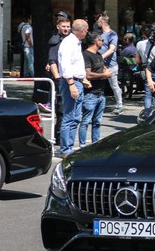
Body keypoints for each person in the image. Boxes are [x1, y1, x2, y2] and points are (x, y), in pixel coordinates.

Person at [58, 19, 90, 158]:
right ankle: (65, 149)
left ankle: (69, 147)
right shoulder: (69, 43)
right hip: (70, 82)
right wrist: (71, 84)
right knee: (69, 116)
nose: (87, 32)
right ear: (82, 30)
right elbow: (65, 65)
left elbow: (75, 64)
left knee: (76, 117)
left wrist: (83, 79)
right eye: (87, 30)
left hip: (77, 82)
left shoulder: (76, 43)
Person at [79, 31, 113, 147]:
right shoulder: (86, 55)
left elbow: (101, 69)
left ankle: (95, 145)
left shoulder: (98, 55)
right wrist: (104, 75)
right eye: (102, 40)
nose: (103, 42)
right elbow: (87, 74)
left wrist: (105, 71)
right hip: (90, 95)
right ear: (97, 41)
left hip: (101, 94)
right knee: (85, 122)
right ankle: (83, 146)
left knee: (97, 122)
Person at [41, 16, 71, 117]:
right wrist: (57, 77)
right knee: (61, 109)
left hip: (69, 74)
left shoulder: (71, 39)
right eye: (63, 26)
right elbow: (52, 59)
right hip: (61, 76)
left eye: (68, 26)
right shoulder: (55, 40)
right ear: (58, 27)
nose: (66, 28)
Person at [97, 15, 124, 115]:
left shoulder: (112, 34)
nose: (97, 23)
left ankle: (119, 105)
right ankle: (98, 104)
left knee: (114, 85)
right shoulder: (100, 34)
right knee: (98, 85)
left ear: (102, 22)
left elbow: (112, 49)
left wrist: (100, 57)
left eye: (98, 21)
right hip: (100, 65)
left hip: (111, 65)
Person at [120, 33, 137, 99]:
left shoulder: (126, 50)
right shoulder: (135, 48)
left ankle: (124, 91)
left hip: (126, 70)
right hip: (134, 68)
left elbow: (121, 59)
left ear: (127, 40)